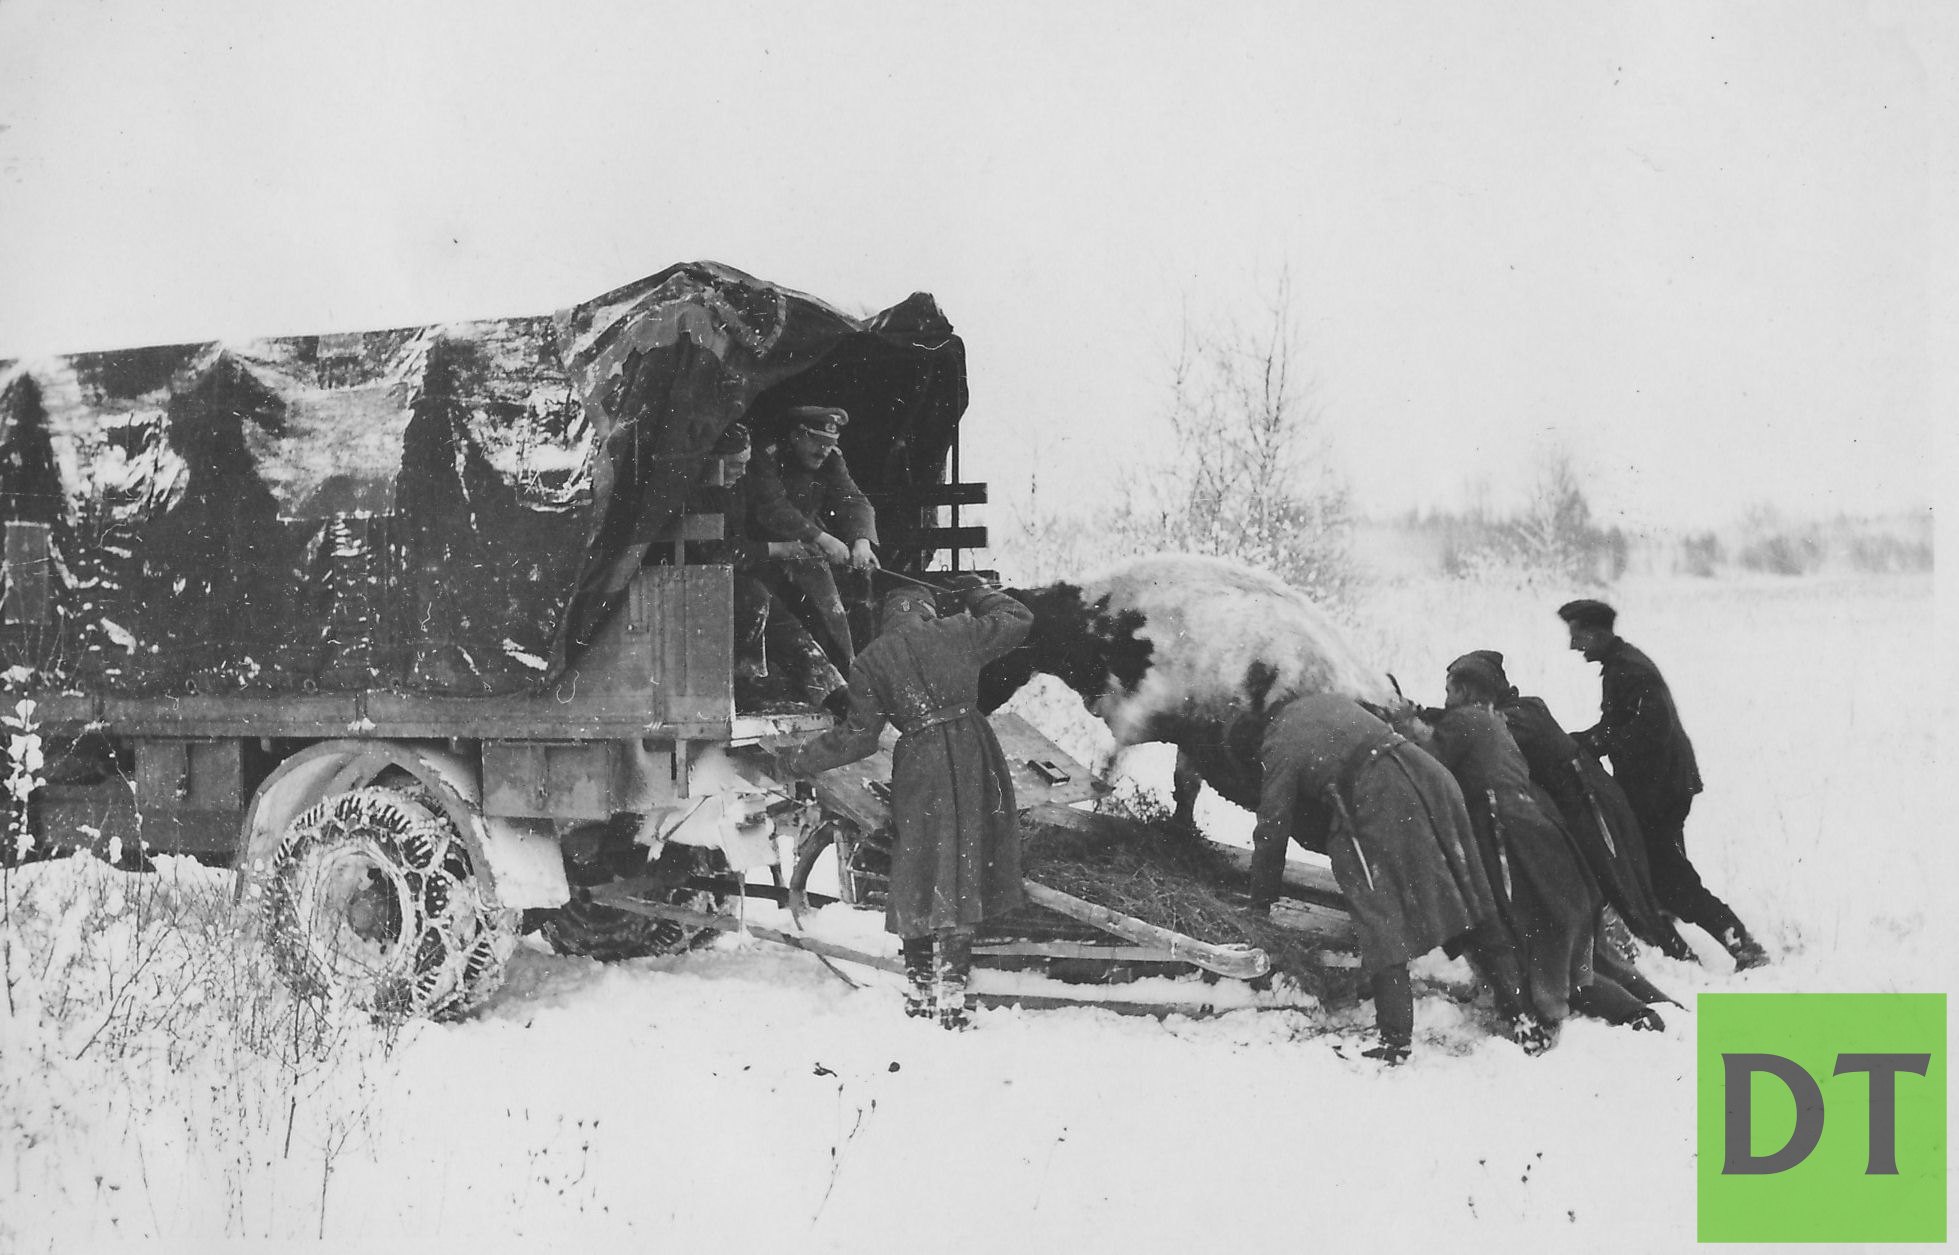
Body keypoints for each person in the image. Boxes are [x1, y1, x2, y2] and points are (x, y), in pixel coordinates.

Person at [771, 577, 1032, 1030]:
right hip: (974, 753)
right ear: (926, 609)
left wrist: (798, 760)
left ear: (886, 618)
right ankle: (952, 997)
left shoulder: (870, 662)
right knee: (964, 863)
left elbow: (858, 738)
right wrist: (975, 591)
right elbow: (1018, 618)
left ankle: (920, 991)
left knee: (917, 865)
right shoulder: (955, 632)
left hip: (919, 763)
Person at [1244, 691, 1539, 1063]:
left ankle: (1395, 1040)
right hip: (1428, 775)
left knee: (1378, 912)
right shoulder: (1324, 701)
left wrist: (1260, 902)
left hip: (1380, 795)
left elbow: (1273, 825)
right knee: (1467, 892)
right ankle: (1524, 1019)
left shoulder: (1278, 740)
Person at [1409, 655, 1669, 1035]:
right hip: (1542, 835)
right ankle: (1651, 1005)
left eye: (1450, 690)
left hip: (1514, 843)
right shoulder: (1492, 720)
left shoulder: (1466, 721)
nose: (1445, 698)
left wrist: (1402, 726)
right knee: (1573, 951)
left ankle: (1635, 1015)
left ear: (1465, 690)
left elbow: (1426, 764)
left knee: (1542, 956)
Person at [1557, 599, 1769, 970]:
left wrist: (1596, 744)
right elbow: (1619, 724)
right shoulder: (1622, 666)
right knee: (1666, 871)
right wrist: (1583, 741)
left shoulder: (1629, 671)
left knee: (1672, 878)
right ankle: (1677, 939)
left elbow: (1648, 730)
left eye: (1579, 636)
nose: (1574, 646)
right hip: (1662, 787)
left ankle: (1740, 942)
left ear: (1597, 632)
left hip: (1659, 791)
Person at [1455, 649, 1694, 964]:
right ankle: (1649, 951)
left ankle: (1678, 957)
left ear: (1473, 691)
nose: (1449, 701)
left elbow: (1474, 727)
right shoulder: (1524, 707)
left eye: (1453, 691)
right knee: (1608, 884)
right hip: (1583, 801)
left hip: (1589, 803)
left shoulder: (1516, 716)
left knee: (1621, 886)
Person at [689, 422, 844, 710]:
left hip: (731, 577)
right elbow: (716, 553)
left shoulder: (734, 486)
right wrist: (778, 549)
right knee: (754, 597)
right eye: (735, 465)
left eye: (746, 464)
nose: (742, 472)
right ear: (713, 460)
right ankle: (746, 688)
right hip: (695, 582)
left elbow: (771, 509)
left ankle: (832, 690)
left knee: (784, 619)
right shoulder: (691, 494)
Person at [747, 405, 880, 672]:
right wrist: (821, 538)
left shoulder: (830, 459)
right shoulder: (766, 454)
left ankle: (855, 672)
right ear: (797, 435)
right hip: (762, 549)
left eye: (829, 444)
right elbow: (773, 508)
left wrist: (862, 541)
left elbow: (852, 499)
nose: (823, 451)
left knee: (851, 589)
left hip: (806, 549)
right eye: (817, 443)